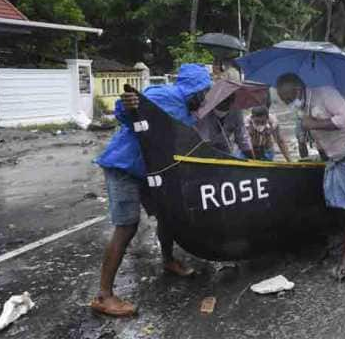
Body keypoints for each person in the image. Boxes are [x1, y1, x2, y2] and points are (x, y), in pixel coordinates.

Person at [92, 64, 211, 317]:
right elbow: (125, 112)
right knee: (127, 226)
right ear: (194, 89)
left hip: (151, 170)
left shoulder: (189, 113)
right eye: (203, 92)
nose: (205, 98)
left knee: (167, 213)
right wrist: (129, 103)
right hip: (124, 165)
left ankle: (168, 260)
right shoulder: (163, 94)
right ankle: (104, 295)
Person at [276, 73, 345, 280]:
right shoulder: (301, 105)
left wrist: (313, 124)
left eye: (287, 99)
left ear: (296, 91)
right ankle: (342, 241)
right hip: (336, 157)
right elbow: (313, 136)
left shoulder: (324, 92)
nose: (287, 104)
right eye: (283, 101)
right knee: (335, 201)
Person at [194, 92, 254, 158]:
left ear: (231, 104)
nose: (221, 111)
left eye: (225, 107)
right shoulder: (204, 110)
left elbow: (241, 135)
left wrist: (249, 153)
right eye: (219, 107)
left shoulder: (236, 112)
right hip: (203, 146)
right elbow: (202, 135)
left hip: (224, 146)